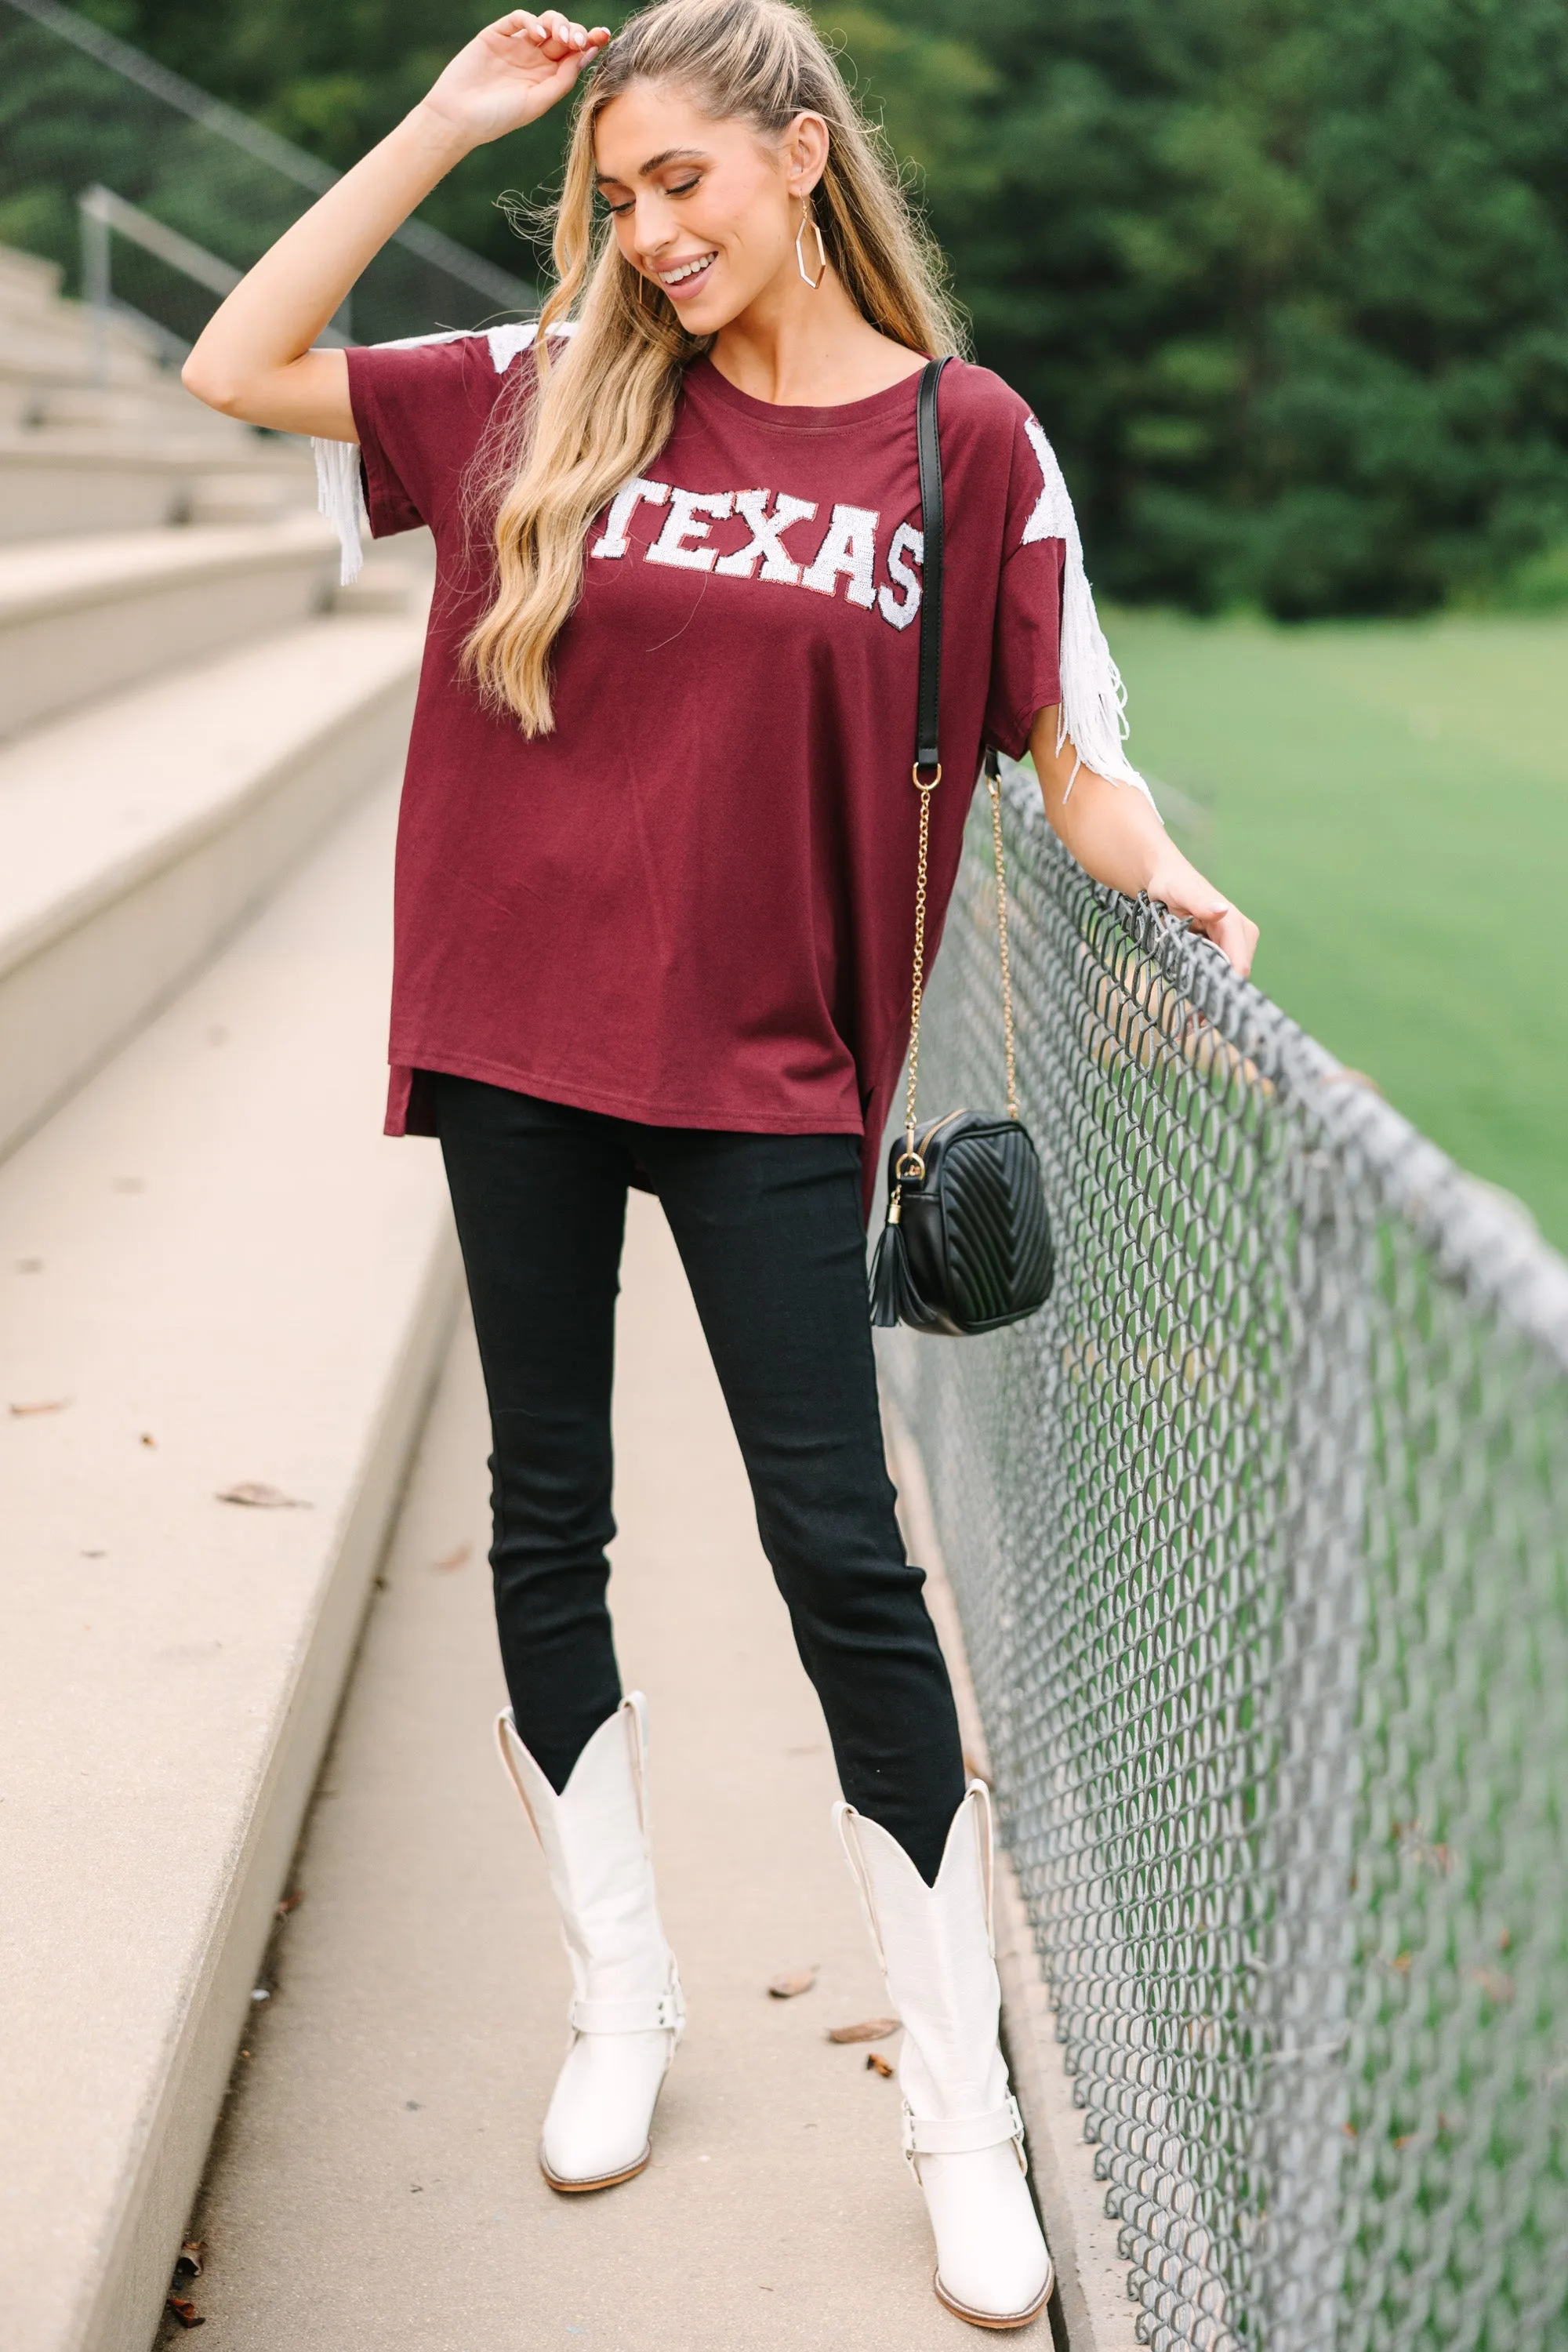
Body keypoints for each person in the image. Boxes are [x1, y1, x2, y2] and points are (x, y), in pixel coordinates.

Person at [183, 0, 1258, 2327]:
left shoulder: (965, 450)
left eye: (682, 183)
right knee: (546, 1515)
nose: (647, 232)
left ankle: (954, 2104)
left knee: (841, 1558)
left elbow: (1072, 747)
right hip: (517, 1038)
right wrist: (456, 121)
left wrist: (1158, 879)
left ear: (798, 156)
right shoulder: (554, 372)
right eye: (616, 194)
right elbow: (236, 366)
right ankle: (621, 1998)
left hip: (777, 1068)